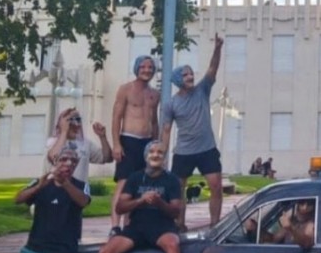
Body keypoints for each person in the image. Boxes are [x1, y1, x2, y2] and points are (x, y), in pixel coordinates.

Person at [85, 140, 184, 253]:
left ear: (164, 157)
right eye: (152, 152)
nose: (156, 155)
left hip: (162, 226)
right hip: (137, 226)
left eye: (160, 152)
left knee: (173, 245)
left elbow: (175, 212)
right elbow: (120, 207)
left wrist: (159, 202)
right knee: (105, 252)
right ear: (146, 156)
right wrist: (140, 201)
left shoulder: (172, 180)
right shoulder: (135, 178)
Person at [161, 34, 224, 229]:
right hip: (184, 152)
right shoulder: (171, 104)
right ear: (177, 80)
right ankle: (179, 224)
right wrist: (162, 155)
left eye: (191, 74)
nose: (190, 77)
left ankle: (215, 225)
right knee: (178, 190)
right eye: (185, 75)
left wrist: (217, 48)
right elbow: (166, 131)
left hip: (207, 149)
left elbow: (212, 69)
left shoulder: (202, 89)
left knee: (216, 186)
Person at [110, 55, 160, 233]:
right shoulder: (125, 89)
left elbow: (154, 121)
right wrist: (116, 144)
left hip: (146, 142)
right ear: (137, 68)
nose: (147, 70)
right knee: (124, 182)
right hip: (129, 139)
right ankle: (115, 226)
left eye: (150, 67)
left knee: (138, 184)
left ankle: (129, 225)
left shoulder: (155, 94)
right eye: (143, 67)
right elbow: (116, 117)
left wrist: (156, 144)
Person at [45, 107, 112, 185]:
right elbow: (53, 157)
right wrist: (64, 132)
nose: (77, 125)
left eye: (78, 120)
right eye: (71, 121)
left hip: (79, 190)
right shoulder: (53, 142)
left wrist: (102, 137)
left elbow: (107, 158)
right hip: (57, 189)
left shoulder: (86, 144)